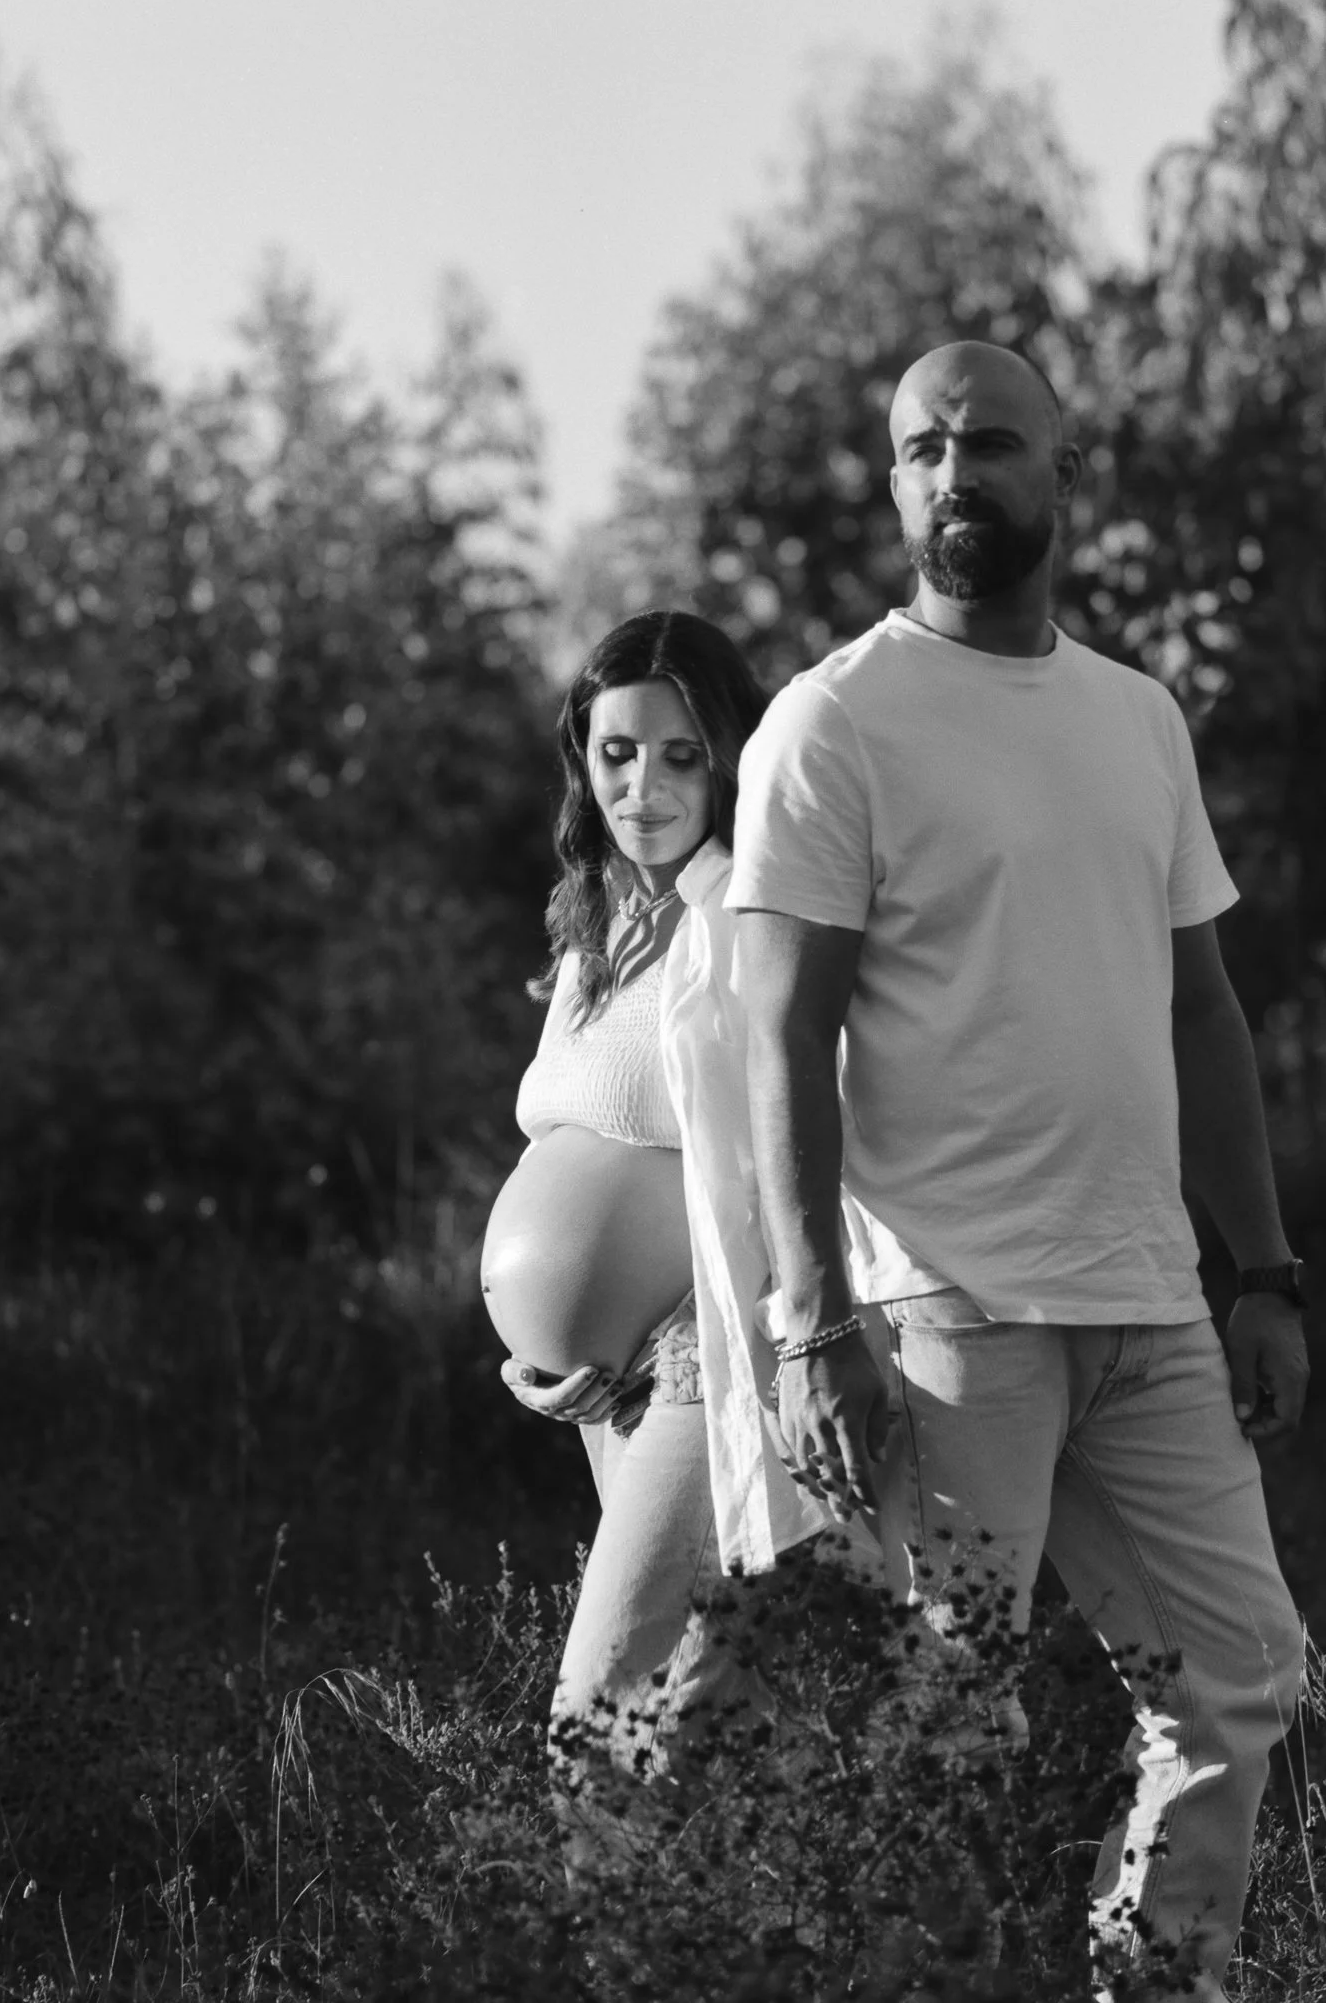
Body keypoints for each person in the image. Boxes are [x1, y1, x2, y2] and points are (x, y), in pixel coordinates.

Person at [730, 342, 1310, 2002]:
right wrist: (809, 1320)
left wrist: (1262, 1271)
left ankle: (1158, 1982)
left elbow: (1203, 1012)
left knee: (1238, 1674)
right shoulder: (833, 723)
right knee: (952, 1719)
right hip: (945, 1310)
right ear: (897, 485)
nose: (955, 473)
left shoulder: (1137, 719)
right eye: (923, 450)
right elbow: (786, 1037)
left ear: (1064, 474)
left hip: (1150, 1304)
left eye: (990, 443)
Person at [481, 609, 834, 1873]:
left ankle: (606, 1955)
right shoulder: (589, 931)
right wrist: (543, 1354)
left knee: (601, 1715)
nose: (643, 786)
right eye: (617, 752)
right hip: (603, 1392)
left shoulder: (750, 912)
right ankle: (765, 1945)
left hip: (704, 1357)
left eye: (683, 755)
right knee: (720, 1707)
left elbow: (797, 1138)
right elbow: (566, 1146)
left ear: (731, 755)